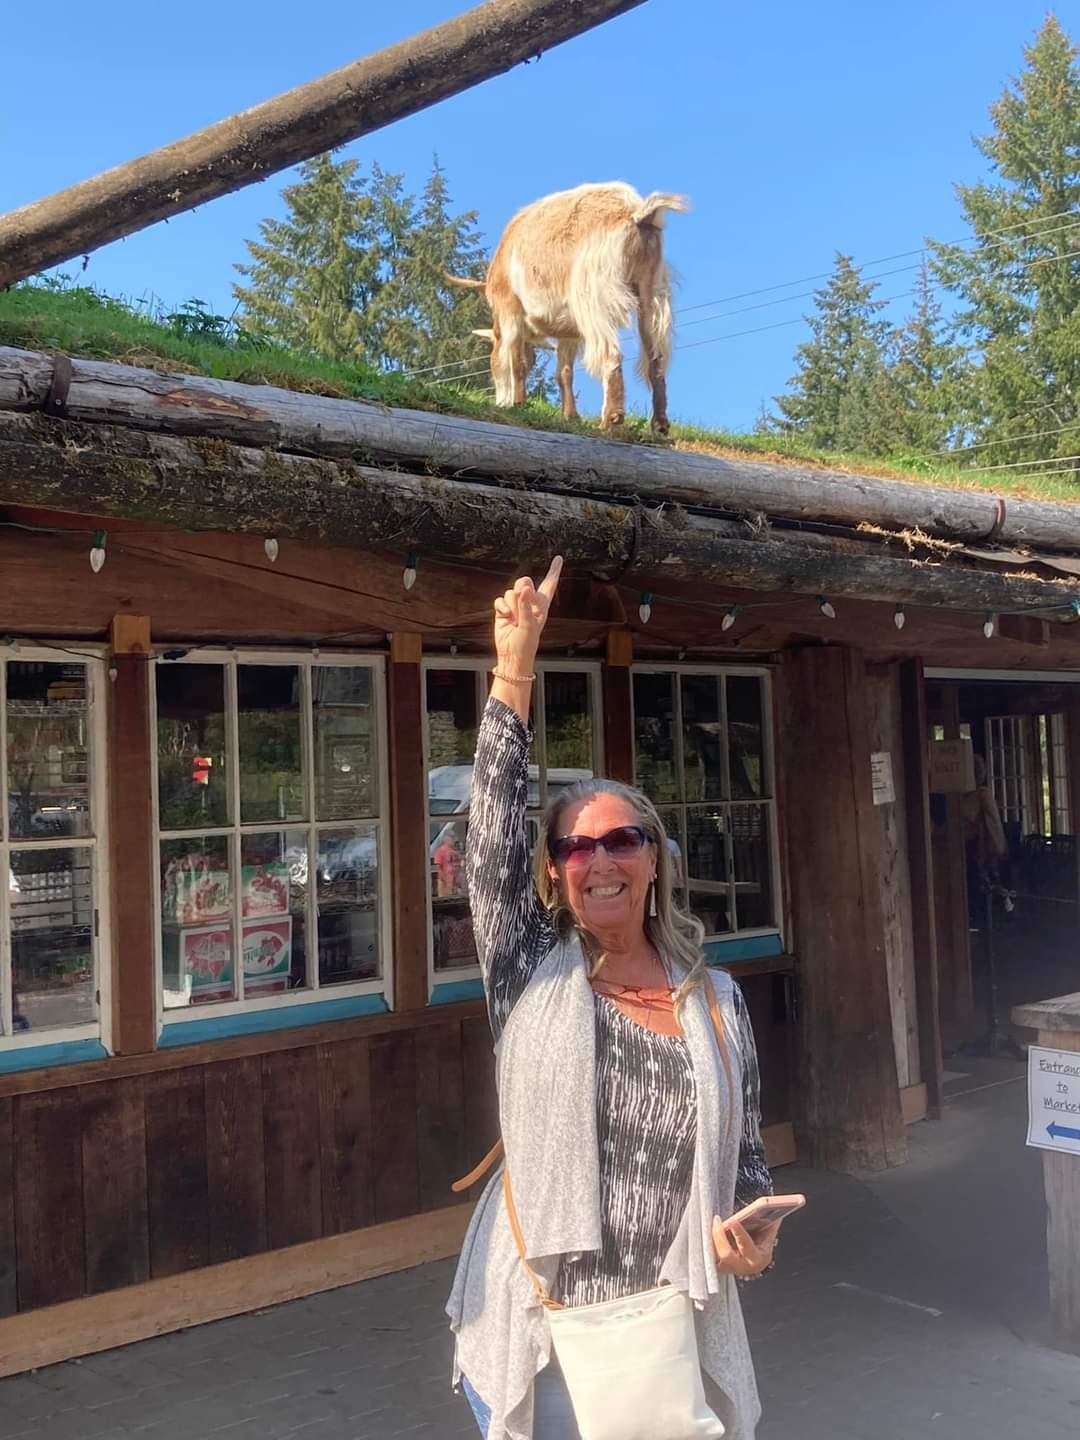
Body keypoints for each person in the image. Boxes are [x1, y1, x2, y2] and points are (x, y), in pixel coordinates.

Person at [446, 556, 778, 1440]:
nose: (600, 860)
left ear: (654, 860)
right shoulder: (529, 971)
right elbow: (490, 837)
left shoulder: (718, 1003)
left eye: (622, 839)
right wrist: (514, 672)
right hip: (548, 1333)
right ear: (554, 875)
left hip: (672, 1329)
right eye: (575, 849)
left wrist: (753, 1236)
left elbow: (745, 1161)